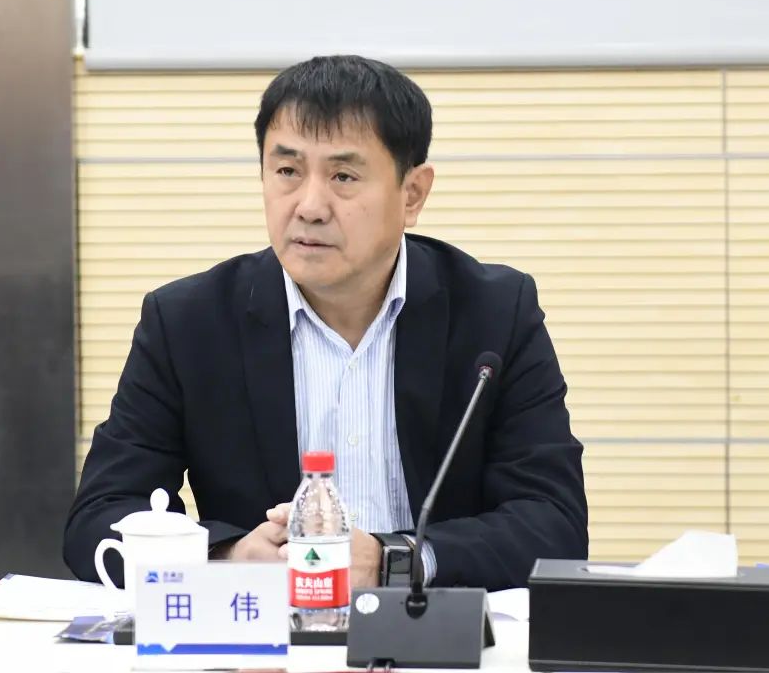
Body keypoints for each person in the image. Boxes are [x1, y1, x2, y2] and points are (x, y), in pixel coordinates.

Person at [64, 55, 587, 592]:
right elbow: (99, 517)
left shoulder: (494, 314)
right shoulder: (188, 323)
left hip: (429, 630)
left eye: (343, 176)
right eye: (287, 171)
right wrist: (226, 556)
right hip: (262, 632)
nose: (310, 206)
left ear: (412, 194)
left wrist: (394, 560)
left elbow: (554, 525)